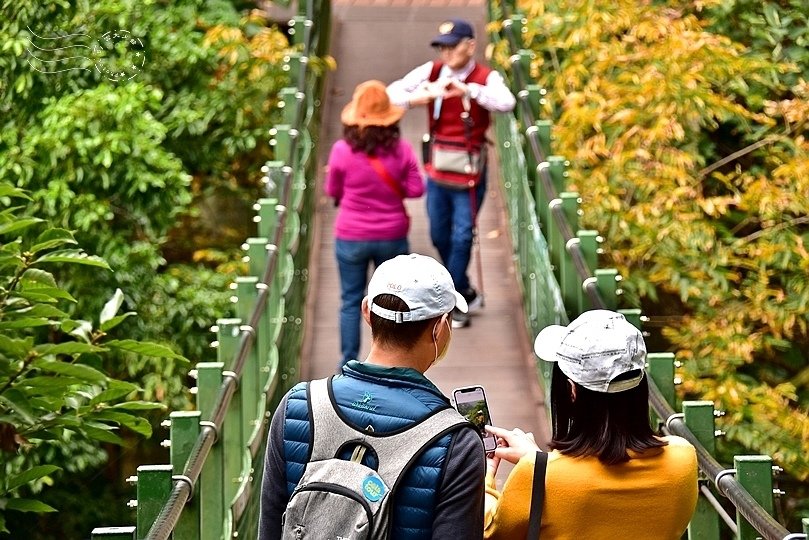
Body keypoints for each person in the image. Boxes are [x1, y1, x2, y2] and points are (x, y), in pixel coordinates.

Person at [258, 253, 486, 540]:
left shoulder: (298, 405)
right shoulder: (457, 443)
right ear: (439, 327)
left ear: (366, 311)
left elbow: (270, 526)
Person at [483, 310, 698, 539]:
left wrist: (487, 479)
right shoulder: (683, 459)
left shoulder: (538, 476)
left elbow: (491, 533)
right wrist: (539, 464)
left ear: (572, 391)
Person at [387, 19, 516, 328]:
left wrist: (469, 90)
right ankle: (464, 289)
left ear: (470, 45)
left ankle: (452, 301)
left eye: (451, 46)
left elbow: (506, 102)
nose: (445, 53)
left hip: (470, 171)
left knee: (461, 236)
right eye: (441, 47)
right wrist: (420, 97)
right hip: (438, 166)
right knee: (437, 234)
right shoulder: (431, 72)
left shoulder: (486, 76)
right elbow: (390, 94)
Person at [326, 80, 425, 367]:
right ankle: (393, 361)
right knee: (393, 299)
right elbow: (416, 189)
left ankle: (348, 362)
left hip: (351, 235)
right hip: (392, 234)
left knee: (350, 300)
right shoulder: (402, 150)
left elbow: (332, 190)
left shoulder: (341, 151)